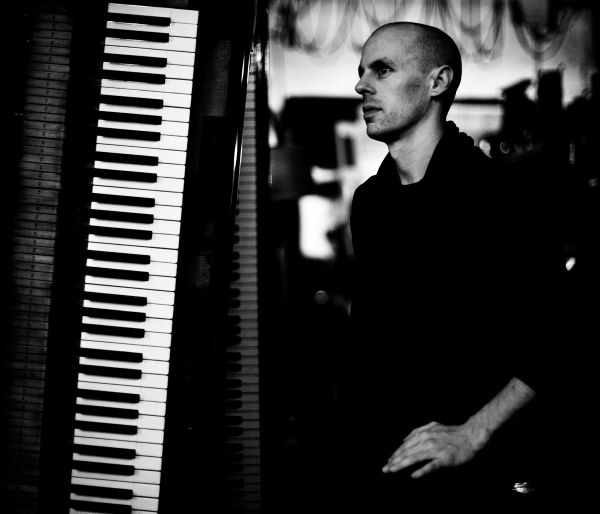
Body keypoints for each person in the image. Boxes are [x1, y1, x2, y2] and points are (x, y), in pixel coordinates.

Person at [333, 21, 574, 512]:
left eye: (382, 70)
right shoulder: (371, 201)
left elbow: (562, 336)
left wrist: (473, 433)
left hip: (474, 476)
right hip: (383, 463)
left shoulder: (498, 196)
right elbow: (371, 337)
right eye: (361, 72)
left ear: (437, 82)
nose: (361, 85)